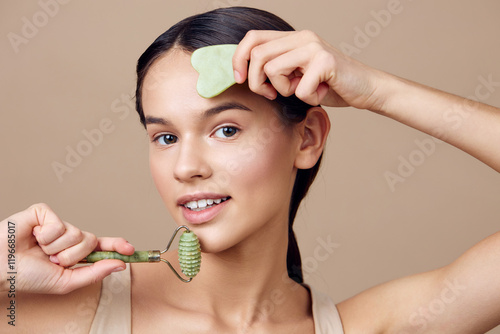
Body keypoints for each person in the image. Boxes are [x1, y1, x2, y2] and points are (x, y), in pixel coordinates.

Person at [1, 6, 499, 333]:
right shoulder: (65, 309)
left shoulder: (371, 327)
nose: (187, 167)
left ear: (307, 138)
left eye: (226, 130)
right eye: (166, 138)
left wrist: (377, 89)